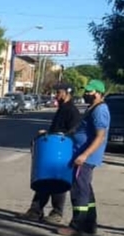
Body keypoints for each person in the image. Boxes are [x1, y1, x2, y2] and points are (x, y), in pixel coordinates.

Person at [21, 82, 82, 224]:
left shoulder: (71, 110)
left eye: (59, 92)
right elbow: (57, 129)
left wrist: (58, 136)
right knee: (45, 180)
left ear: (67, 93)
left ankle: (56, 212)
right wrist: (47, 133)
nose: (56, 95)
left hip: (61, 150)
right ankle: (35, 211)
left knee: (58, 181)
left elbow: (73, 131)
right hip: (52, 148)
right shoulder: (62, 108)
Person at [58, 79, 111, 236]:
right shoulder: (92, 108)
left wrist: (84, 155)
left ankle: (77, 225)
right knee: (86, 190)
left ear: (98, 93)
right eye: (86, 91)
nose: (86, 94)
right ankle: (90, 223)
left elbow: (100, 136)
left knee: (79, 190)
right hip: (82, 154)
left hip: (86, 157)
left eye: (90, 91)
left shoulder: (99, 110)